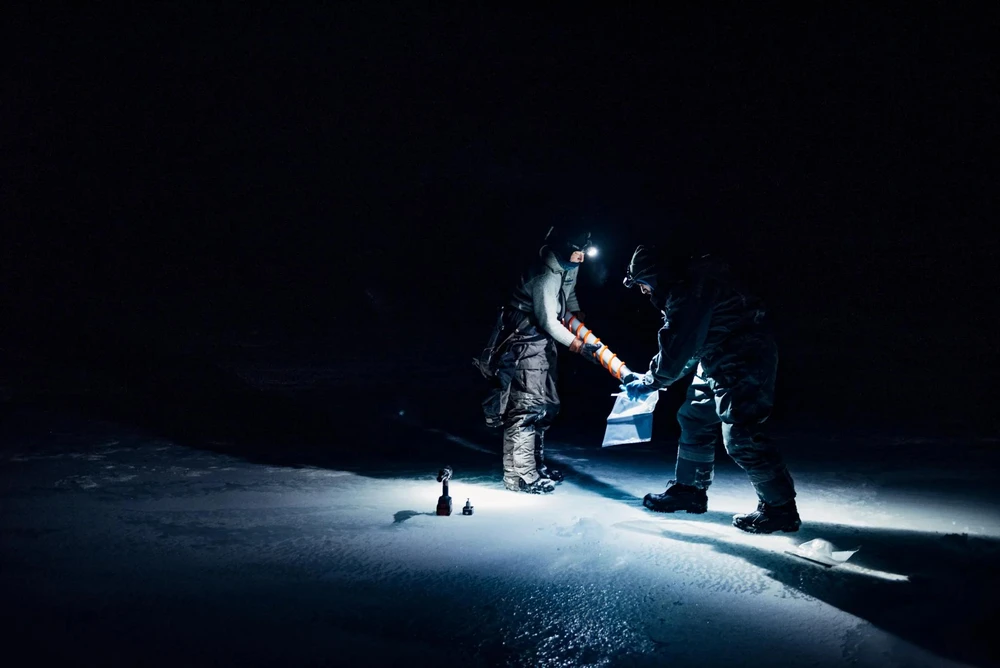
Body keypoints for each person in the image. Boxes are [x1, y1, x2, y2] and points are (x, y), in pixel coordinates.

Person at [620, 245, 801, 533]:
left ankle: (780, 509)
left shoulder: (690, 292)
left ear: (658, 275)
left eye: (643, 283)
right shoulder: (689, 286)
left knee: (742, 434)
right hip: (717, 355)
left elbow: (679, 347)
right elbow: (687, 346)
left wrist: (651, 381)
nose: (643, 291)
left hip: (744, 358)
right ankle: (689, 490)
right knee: (695, 417)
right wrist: (655, 375)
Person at [476, 227, 601, 494]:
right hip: (524, 340)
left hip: (542, 340)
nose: (582, 257)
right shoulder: (544, 276)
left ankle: (535, 464)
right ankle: (520, 475)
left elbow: (567, 290)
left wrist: (575, 312)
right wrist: (578, 345)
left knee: (547, 404)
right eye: (579, 251)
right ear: (564, 247)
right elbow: (548, 320)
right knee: (527, 406)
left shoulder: (566, 265)